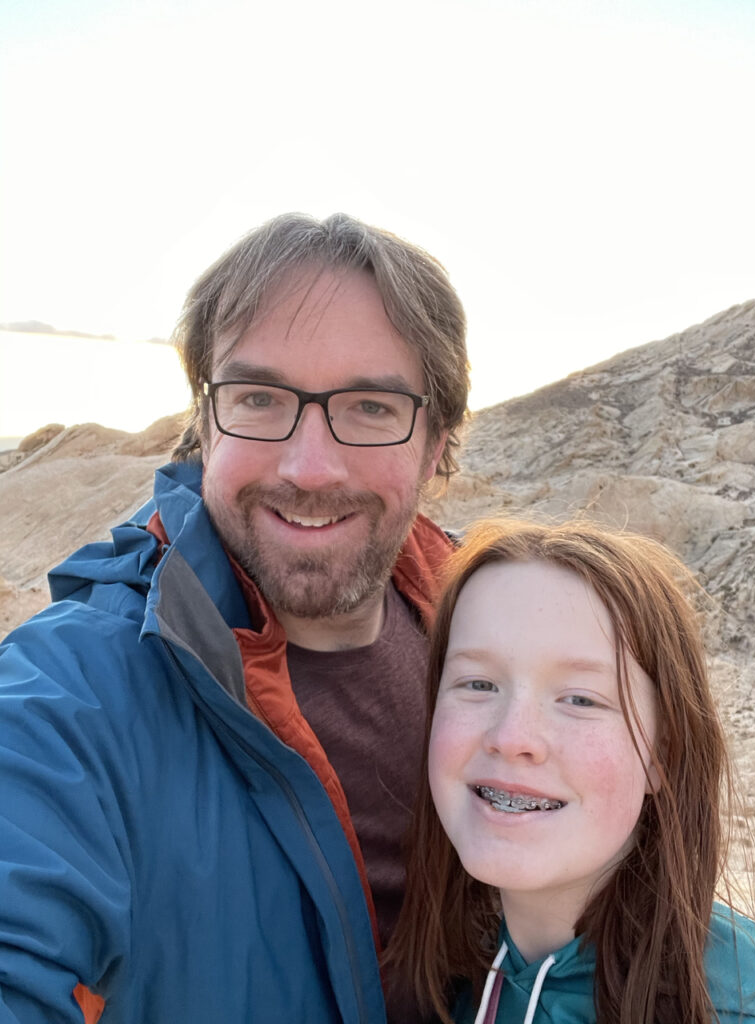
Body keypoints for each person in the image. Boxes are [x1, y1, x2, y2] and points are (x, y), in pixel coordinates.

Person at [0, 213, 470, 1023]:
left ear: (437, 442)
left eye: (368, 407)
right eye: (258, 398)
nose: (310, 467)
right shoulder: (73, 698)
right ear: (205, 423)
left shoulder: (495, 638)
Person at [387, 519, 755, 1023]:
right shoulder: (452, 971)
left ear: (663, 754)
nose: (511, 736)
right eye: (478, 684)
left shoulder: (733, 1007)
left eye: (580, 699)